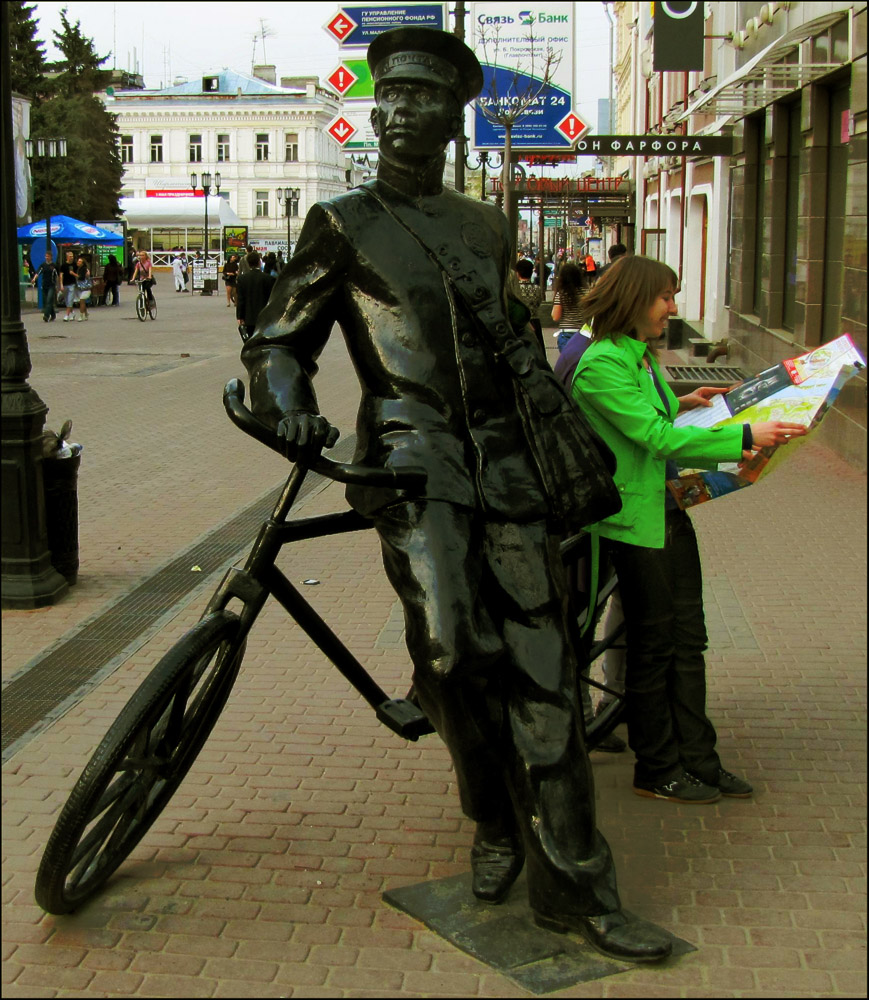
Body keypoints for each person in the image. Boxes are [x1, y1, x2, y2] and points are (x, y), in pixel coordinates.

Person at [241, 26, 672, 964]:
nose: (403, 112)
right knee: (448, 651)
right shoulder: (342, 221)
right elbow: (279, 338)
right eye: (389, 96)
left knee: (544, 671)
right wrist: (287, 402)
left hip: (509, 466)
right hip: (411, 458)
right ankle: (490, 815)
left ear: (450, 116)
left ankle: (579, 894)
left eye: (425, 98)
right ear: (378, 107)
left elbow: (512, 347)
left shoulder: (485, 225)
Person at [571, 255, 807, 804]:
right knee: (654, 648)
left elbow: (649, 420)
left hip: (668, 512)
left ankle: (699, 759)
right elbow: (653, 438)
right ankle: (657, 767)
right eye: (665, 298)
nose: (672, 309)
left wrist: (685, 402)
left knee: (688, 641)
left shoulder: (638, 357)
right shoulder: (601, 362)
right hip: (633, 525)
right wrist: (746, 435)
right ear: (634, 299)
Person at [235, 250, 275, 341]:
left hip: (248, 317)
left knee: (250, 340)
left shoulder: (242, 279)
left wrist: (239, 316)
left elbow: (241, 299)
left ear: (248, 263)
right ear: (259, 262)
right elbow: (272, 299)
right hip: (264, 317)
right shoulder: (268, 279)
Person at [551, 261, 586, 351]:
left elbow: (555, 317)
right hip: (583, 333)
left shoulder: (562, 294)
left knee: (567, 363)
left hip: (566, 334)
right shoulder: (586, 293)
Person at [511, 258, 544, 351]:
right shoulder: (537, 289)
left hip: (520, 325)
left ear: (517, 273)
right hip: (535, 321)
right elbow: (538, 303)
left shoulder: (515, 290)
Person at [31, 251, 60, 322]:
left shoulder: (54, 266)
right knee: (47, 301)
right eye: (46, 256)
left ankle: (46, 315)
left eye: (48, 256)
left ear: (51, 257)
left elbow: (57, 276)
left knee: (49, 299)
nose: (47, 257)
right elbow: (38, 272)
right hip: (44, 285)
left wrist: (58, 286)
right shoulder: (43, 265)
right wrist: (34, 279)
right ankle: (53, 314)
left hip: (52, 285)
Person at [59, 250, 78, 322]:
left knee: (70, 299)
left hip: (72, 284)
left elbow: (78, 273)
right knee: (67, 300)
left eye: (72, 256)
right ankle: (72, 313)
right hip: (65, 284)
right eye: (70, 256)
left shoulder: (75, 265)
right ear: (67, 257)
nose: (71, 258)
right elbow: (61, 275)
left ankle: (66, 315)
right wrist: (61, 285)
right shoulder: (63, 266)